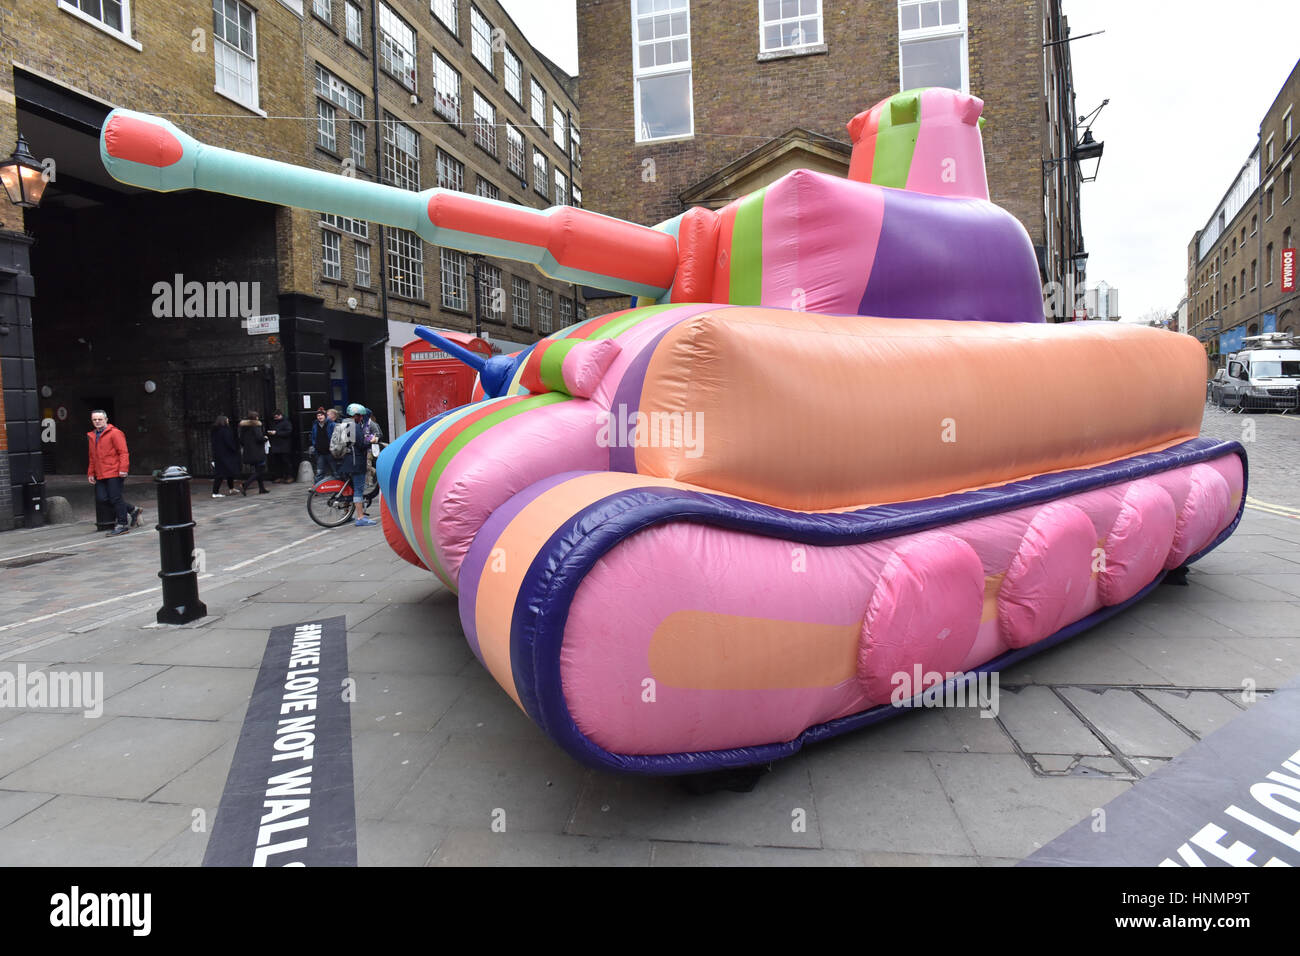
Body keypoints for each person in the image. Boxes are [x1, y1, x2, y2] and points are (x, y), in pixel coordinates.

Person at [87, 409, 143, 536]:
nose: (97, 422)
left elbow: (123, 452)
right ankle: (132, 510)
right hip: (100, 473)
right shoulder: (92, 435)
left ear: (106, 420)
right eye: (94, 420)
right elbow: (92, 456)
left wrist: (123, 469)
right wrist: (91, 473)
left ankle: (122, 524)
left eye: (100, 419)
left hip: (114, 471)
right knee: (102, 498)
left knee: (115, 498)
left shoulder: (115, 433)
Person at [340, 402, 381, 527]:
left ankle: (347, 514)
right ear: (356, 415)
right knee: (358, 489)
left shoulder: (343, 424)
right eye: (360, 415)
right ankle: (360, 517)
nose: (362, 418)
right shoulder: (354, 426)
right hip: (356, 461)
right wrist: (372, 441)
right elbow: (361, 445)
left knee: (349, 488)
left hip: (345, 461)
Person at [238, 411, 269, 495]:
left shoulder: (244, 428)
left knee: (258, 469)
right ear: (256, 418)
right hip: (257, 452)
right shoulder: (256, 426)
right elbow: (259, 438)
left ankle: (262, 488)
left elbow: (241, 440)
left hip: (249, 451)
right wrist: (265, 438)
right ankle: (245, 485)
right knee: (260, 470)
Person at [210, 414, 241, 497]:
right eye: (227, 420)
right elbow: (229, 442)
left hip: (219, 454)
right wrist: (235, 449)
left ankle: (231, 488)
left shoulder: (215, 431)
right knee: (221, 474)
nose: (228, 421)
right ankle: (215, 492)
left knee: (228, 472)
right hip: (227, 454)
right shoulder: (225, 430)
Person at [266, 410, 296, 483]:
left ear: (280, 415)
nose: (275, 418)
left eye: (276, 417)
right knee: (277, 462)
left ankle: (289, 476)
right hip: (275, 445)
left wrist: (276, 433)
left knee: (286, 461)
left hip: (284, 445)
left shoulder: (286, 422)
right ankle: (279, 476)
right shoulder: (273, 422)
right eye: (274, 417)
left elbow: (288, 432)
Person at [310, 407, 336, 481]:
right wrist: (315, 446)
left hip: (330, 452)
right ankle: (316, 488)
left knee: (335, 471)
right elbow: (313, 437)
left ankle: (340, 488)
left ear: (325, 416)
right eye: (318, 416)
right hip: (320, 452)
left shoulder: (332, 424)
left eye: (321, 415)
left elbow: (335, 437)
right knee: (319, 472)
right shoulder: (315, 425)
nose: (319, 417)